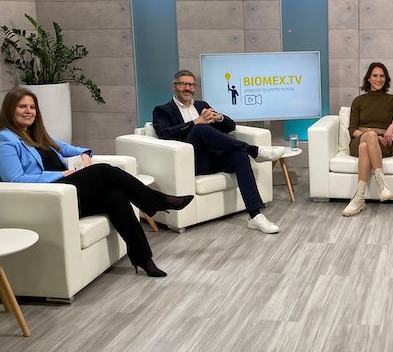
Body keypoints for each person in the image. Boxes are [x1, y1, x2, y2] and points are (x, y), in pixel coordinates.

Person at [0, 87, 193, 277]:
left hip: (68, 194)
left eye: (32, 107)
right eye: (22, 106)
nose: (28, 111)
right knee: (102, 170)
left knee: (115, 197)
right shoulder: (5, 139)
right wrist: (61, 174)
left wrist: (84, 155)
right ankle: (156, 201)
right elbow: (15, 179)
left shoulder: (38, 135)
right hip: (49, 198)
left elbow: (72, 149)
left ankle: (144, 259)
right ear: (10, 109)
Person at [153, 70, 284, 233]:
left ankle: (255, 216)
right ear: (174, 86)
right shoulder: (162, 110)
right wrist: (196, 122)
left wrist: (218, 117)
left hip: (213, 159)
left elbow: (231, 126)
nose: (187, 88)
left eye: (191, 85)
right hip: (192, 163)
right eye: (183, 84)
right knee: (199, 129)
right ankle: (254, 150)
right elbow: (164, 133)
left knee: (240, 156)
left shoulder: (201, 105)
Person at [342, 62, 393, 216]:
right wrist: (372, 135)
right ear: (369, 78)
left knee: (365, 147)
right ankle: (382, 185)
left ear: (386, 79)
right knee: (368, 138)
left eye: (382, 76)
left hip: (382, 145)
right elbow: (352, 130)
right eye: (375, 76)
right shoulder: (358, 101)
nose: (378, 79)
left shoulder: (391, 100)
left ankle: (359, 199)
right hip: (359, 139)